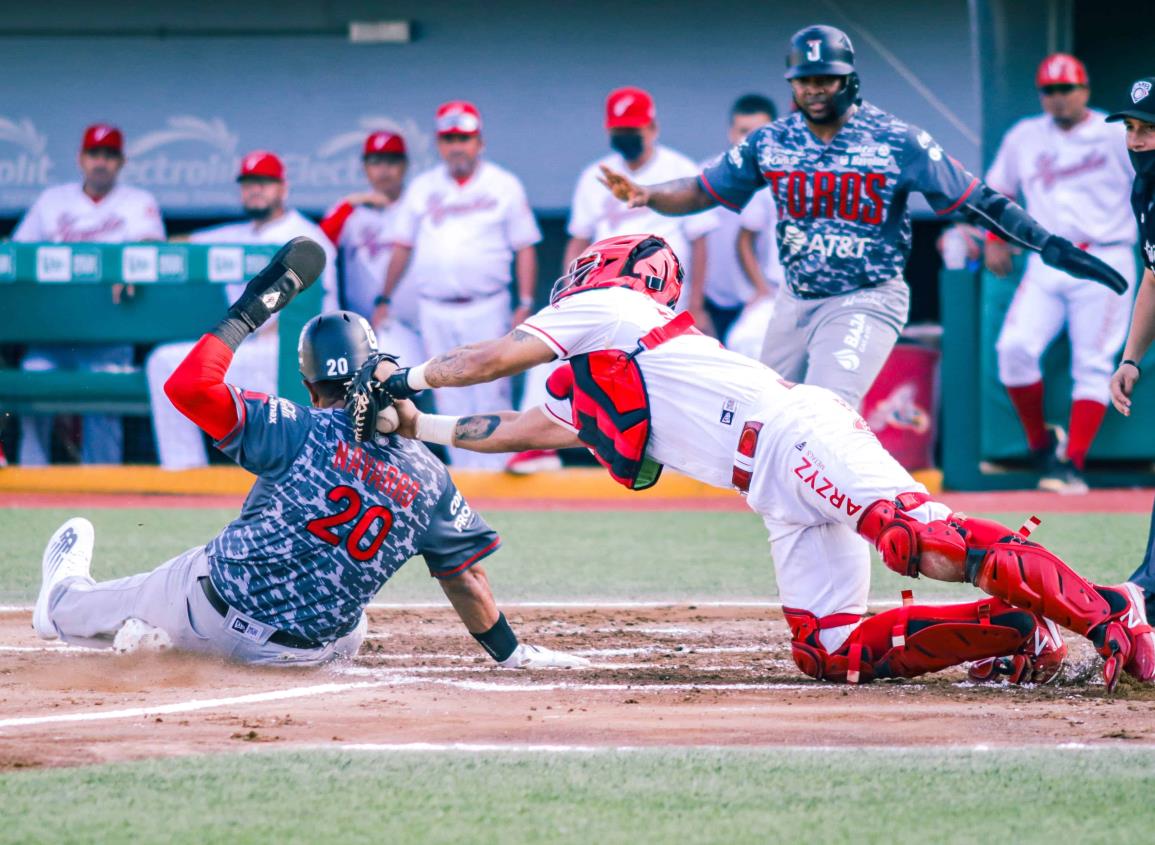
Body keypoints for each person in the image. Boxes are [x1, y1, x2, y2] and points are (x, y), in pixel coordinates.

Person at [359, 233, 1154, 689]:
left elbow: (489, 359)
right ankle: (1015, 630)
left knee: (918, 539)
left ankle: (1106, 612)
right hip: (771, 486)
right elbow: (520, 427)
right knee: (827, 648)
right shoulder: (601, 369)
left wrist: (405, 374)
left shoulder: (612, 307)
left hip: (795, 433)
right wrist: (417, 420)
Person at [32, 238, 586, 670]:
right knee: (354, 627)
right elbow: (467, 582)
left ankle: (63, 603)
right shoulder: (432, 478)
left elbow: (186, 388)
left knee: (104, 599)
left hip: (213, 614)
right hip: (307, 656)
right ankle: (173, 643)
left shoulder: (294, 426)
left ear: (309, 380)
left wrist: (250, 312)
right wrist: (510, 653)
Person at [597, 25, 1129, 409]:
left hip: (867, 295)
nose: (813, 89)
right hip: (796, 297)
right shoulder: (773, 140)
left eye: (825, 79)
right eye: (804, 80)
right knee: (762, 418)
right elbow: (700, 189)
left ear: (849, 79)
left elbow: (979, 199)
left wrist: (1048, 244)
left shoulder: (897, 140)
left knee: (824, 414)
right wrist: (647, 194)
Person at [986, 54, 1136, 494]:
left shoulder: (1115, 133)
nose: (1059, 98)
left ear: (1084, 90)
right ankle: (1040, 446)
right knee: (1013, 349)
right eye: (1050, 91)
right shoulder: (1025, 136)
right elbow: (998, 192)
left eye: (1066, 89)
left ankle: (1072, 464)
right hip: (1048, 257)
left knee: (1092, 365)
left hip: (1105, 256)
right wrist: (996, 238)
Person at [371, 101, 541, 470]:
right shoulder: (423, 187)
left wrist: (524, 301)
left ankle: (498, 475)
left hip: (487, 304)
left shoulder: (503, 184)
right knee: (446, 392)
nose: (457, 146)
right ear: (439, 143)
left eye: (463, 137)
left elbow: (525, 246)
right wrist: (383, 296)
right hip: (435, 307)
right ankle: (465, 479)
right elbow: (403, 245)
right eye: (449, 138)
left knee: (490, 390)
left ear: (479, 141)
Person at [146, 150, 338, 469]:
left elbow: (324, 308)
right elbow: (183, 242)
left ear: (283, 188)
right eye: (249, 183)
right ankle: (182, 472)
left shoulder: (307, 237)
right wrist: (139, 250)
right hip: (251, 346)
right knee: (164, 362)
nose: (255, 189)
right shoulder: (237, 234)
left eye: (264, 182)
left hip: (295, 351)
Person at [14, 124, 165, 465]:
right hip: (53, 332)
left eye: (109, 155)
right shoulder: (52, 201)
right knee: (32, 378)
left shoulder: (137, 202)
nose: (101, 162)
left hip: (109, 331)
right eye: (95, 154)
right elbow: (18, 253)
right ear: (81, 159)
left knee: (104, 402)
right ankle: (31, 474)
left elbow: (150, 241)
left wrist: (131, 263)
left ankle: (102, 483)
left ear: (121, 161)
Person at [566, 86, 717, 329]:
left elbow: (700, 242)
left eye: (632, 130)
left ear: (652, 128)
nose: (626, 136)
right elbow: (578, 241)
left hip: (667, 299)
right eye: (619, 130)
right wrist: (570, 293)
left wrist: (697, 305)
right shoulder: (594, 175)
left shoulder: (680, 169)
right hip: (606, 298)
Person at [1106, 75, 1155, 628]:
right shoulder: (1145, 189)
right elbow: (1154, 275)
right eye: (1132, 128)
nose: (1138, 140)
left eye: (1150, 130)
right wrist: (1130, 358)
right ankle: (1152, 589)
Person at [320, 130, 424, 366]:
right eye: (376, 162)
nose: (384, 170)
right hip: (365, 328)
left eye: (391, 161)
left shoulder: (417, 207)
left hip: (419, 323)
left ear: (405, 165)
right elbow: (317, 246)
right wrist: (349, 203)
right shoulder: (350, 212)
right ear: (365, 167)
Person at [705, 94, 784, 345]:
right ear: (731, 132)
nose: (750, 140)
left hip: (761, 299)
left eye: (759, 133)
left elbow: (746, 240)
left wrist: (761, 289)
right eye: (744, 131)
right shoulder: (706, 178)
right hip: (713, 298)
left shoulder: (781, 178)